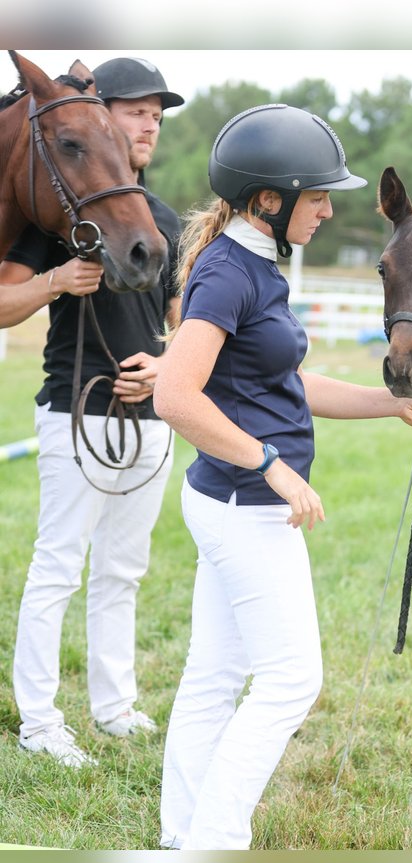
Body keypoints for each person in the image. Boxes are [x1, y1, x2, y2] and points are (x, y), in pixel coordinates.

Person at [154, 104, 412, 851]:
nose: (328, 209)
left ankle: (182, 840)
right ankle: (215, 847)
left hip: (232, 501)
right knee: (292, 680)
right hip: (245, 504)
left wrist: (396, 403)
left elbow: (289, 383)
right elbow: (174, 395)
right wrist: (272, 467)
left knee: (215, 677)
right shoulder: (231, 272)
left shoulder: (253, 262)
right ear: (269, 199)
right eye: (317, 196)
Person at [1, 57, 185, 767]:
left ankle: (114, 706)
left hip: (150, 423)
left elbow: (183, 321)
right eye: (136, 112)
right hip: (75, 413)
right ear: (102, 118)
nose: (147, 126)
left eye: (156, 117)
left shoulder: (158, 220)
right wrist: (55, 281)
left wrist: (168, 368)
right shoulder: (58, 211)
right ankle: (40, 722)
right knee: (58, 567)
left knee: (123, 571)